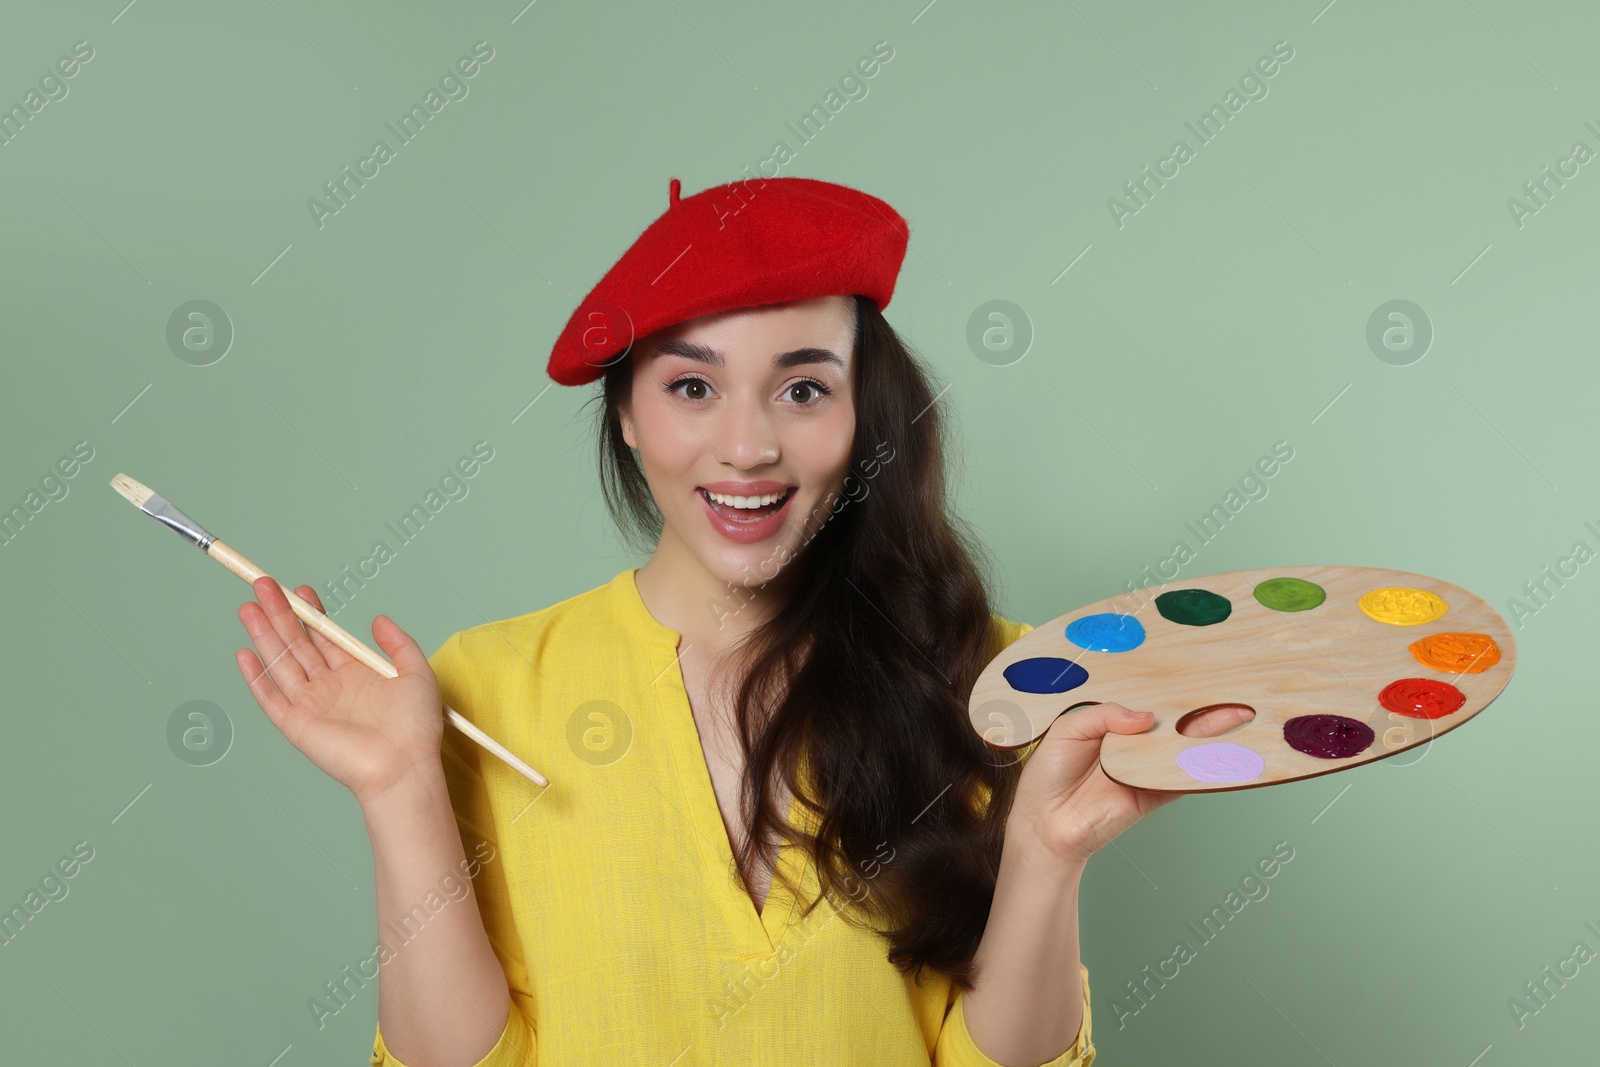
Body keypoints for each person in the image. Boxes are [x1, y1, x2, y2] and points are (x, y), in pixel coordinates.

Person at [233, 176, 1249, 1067]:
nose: (748, 443)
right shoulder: (485, 683)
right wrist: (398, 789)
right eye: (691, 386)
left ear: (865, 416)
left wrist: (1046, 857)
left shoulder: (1004, 679)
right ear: (626, 413)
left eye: (803, 386)